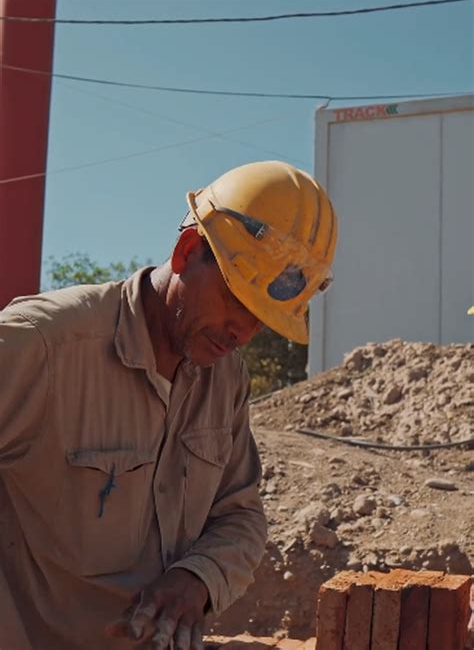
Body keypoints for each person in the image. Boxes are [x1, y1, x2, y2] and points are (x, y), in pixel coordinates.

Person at [0, 160, 338, 649]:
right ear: (186, 252)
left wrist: (197, 578)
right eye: (235, 300)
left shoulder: (225, 379)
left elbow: (239, 515)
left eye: (262, 318)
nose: (243, 332)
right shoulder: (46, 345)